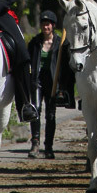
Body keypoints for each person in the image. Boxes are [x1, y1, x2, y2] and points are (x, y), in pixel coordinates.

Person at [28, 10, 72, 159]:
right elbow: (29, 61)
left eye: (48, 24)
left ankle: (48, 146)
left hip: (52, 82)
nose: (45, 27)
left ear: (53, 26)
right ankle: (35, 144)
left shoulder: (60, 43)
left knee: (51, 114)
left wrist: (63, 86)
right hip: (37, 80)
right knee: (36, 110)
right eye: (43, 24)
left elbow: (66, 66)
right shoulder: (35, 43)